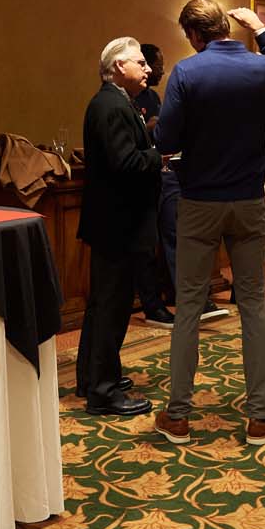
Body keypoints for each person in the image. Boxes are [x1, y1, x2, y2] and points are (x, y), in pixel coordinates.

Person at [154, 0, 265, 447]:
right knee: (252, 305)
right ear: (227, 27)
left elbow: (167, 139)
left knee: (189, 307)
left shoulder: (187, 72)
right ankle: (259, 415)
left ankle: (177, 416)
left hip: (198, 200)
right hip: (249, 199)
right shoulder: (260, 67)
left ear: (194, 35)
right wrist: (262, 30)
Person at [76, 37, 162, 416]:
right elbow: (125, 164)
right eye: (139, 63)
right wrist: (161, 157)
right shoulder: (111, 107)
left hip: (113, 221)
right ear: (116, 68)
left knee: (104, 306)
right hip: (119, 224)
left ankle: (92, 376)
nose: (147, 69)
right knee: (111, 308)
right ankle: (103, 391)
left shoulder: (114, 102)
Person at [133, 43, 175, 328]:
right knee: (145, 247)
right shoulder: (121, 101)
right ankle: (151, 303)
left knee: (172, 237)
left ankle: (175, 293)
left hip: (163, 176)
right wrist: (149, 127)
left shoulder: (154, 95)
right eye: (155, 64)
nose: (158, 70)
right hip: (138, 180)